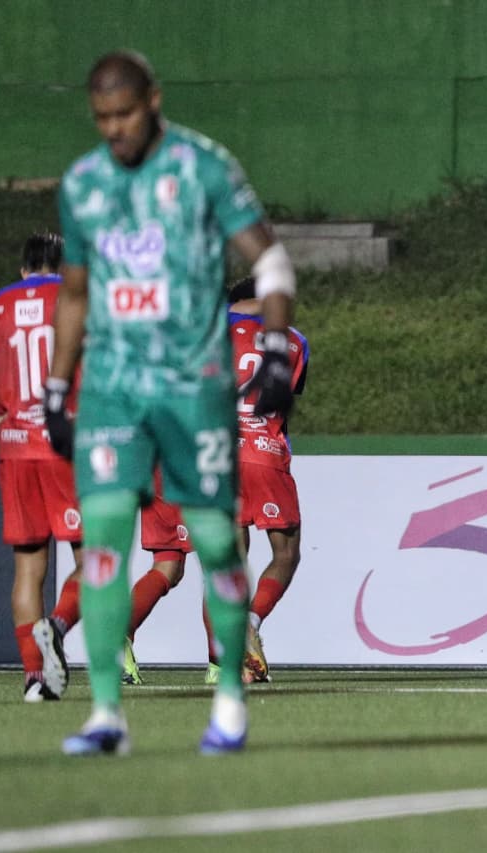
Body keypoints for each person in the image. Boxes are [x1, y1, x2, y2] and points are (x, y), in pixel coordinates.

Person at [48, 50, 298, 756]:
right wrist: (60, 384)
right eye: (101, 118)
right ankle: (104, 712)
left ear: (153, 101)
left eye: (124, 114)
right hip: (113, 391)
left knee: (218, 542)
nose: (114, 129)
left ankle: (227, 697)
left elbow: (271, 261)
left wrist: (275, 346)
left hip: (194, 389)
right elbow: (74, 294)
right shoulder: (85, 184)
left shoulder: (203, 166)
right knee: (101, 546)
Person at [0, 232, 84, 702]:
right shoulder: (77, 297)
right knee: (98, 560)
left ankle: (34, 680)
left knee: (28, 569)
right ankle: (57, 626)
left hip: (16, 448)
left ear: (24, 268)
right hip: (68, 445)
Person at [228, 275, 309, 683]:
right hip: (264, 453)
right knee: (286, 553)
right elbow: (285, 402)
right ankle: (251, 625)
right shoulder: (293, 340)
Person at [120, 470, 192, 685]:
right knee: (218, 564)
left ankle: (120, 636)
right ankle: (221, 665)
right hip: (180, 467)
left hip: (154, 470)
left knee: (169, 567)